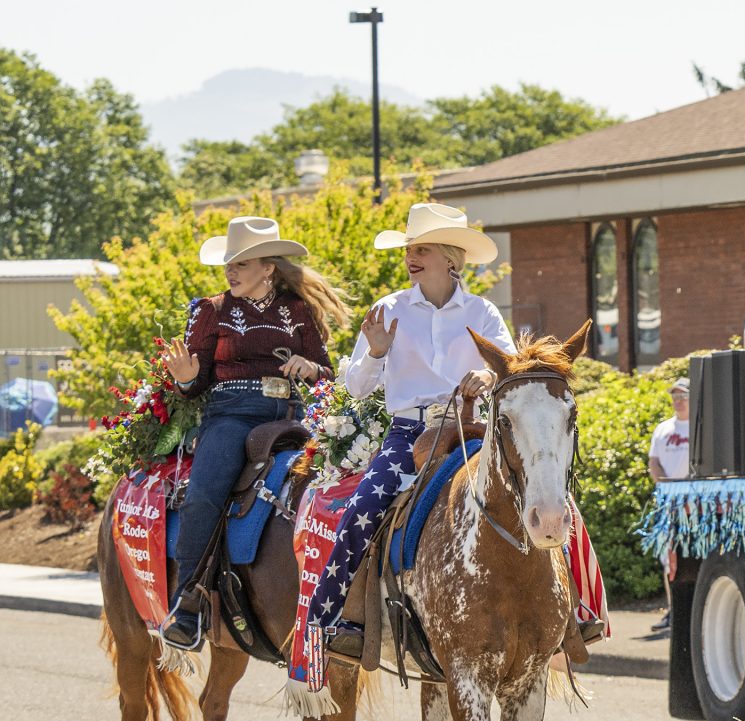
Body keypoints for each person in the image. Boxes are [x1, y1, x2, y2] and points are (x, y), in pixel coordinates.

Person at [304, 203, 511, 655]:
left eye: (422, 248)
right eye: (409, 249)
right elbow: (356, 389)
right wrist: (377, 351)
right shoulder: (388, 309)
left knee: (539, 493)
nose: (410, 257)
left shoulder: (483, 311)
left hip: (473, 432)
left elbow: (510, 368)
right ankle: (337, 620)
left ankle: (574, 614)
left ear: (451, 258)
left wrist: (490, 377)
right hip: (408, 436)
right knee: (363, 508)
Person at [161, 217, 345, 650]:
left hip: (291, 414)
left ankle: (343, 595)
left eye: (242, 262)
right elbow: (196, 380)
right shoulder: (212, 310)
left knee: (339, 480)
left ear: (268, 268)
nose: (231, 270)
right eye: (230, 263)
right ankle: (189, 603)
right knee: (205, 492)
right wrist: (186, 379)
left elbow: (327, 372)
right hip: (231, 414)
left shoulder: (298, 310)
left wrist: (310, 367)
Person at [648, 379, 690, 629]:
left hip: (697, 503)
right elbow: (654, 462)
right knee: (669, 557)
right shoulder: (663, 429)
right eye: (675, 396)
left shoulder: (701, 426)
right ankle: (673, 609)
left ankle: (687, 610)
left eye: (683, 396)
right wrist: (668, 487)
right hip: (669, 502)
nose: (678, 400)